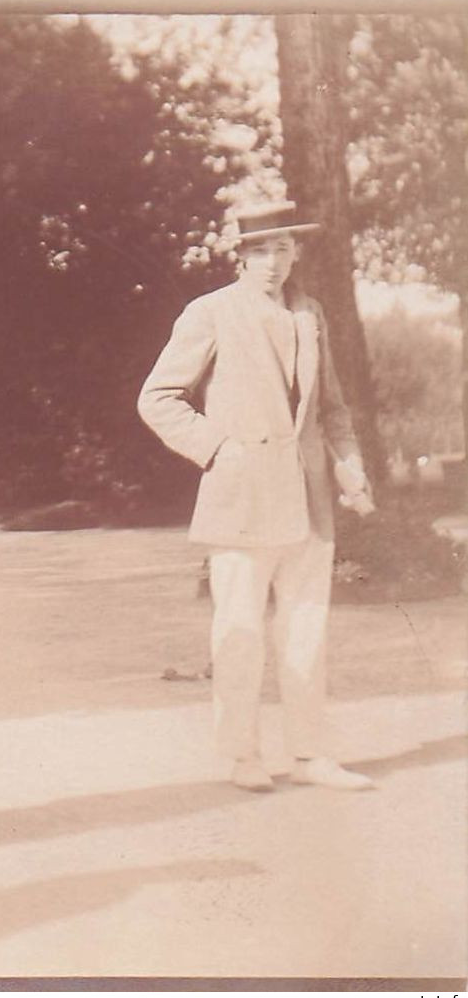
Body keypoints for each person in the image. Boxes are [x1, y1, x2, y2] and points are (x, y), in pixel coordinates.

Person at [138, 200, 377, 794]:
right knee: (238, 630)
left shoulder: (311, 313)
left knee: (306, 629)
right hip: (241, 496)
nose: (272, 262)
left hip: (309, 495)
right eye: (259, 250)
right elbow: (158, 397)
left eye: (282, 249)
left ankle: (311, 753)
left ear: (297, 253)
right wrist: (218, 449)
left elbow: (333, 409)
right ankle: (240, 754)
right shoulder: (211, 312)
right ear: (240, 257)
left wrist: (351, 472)